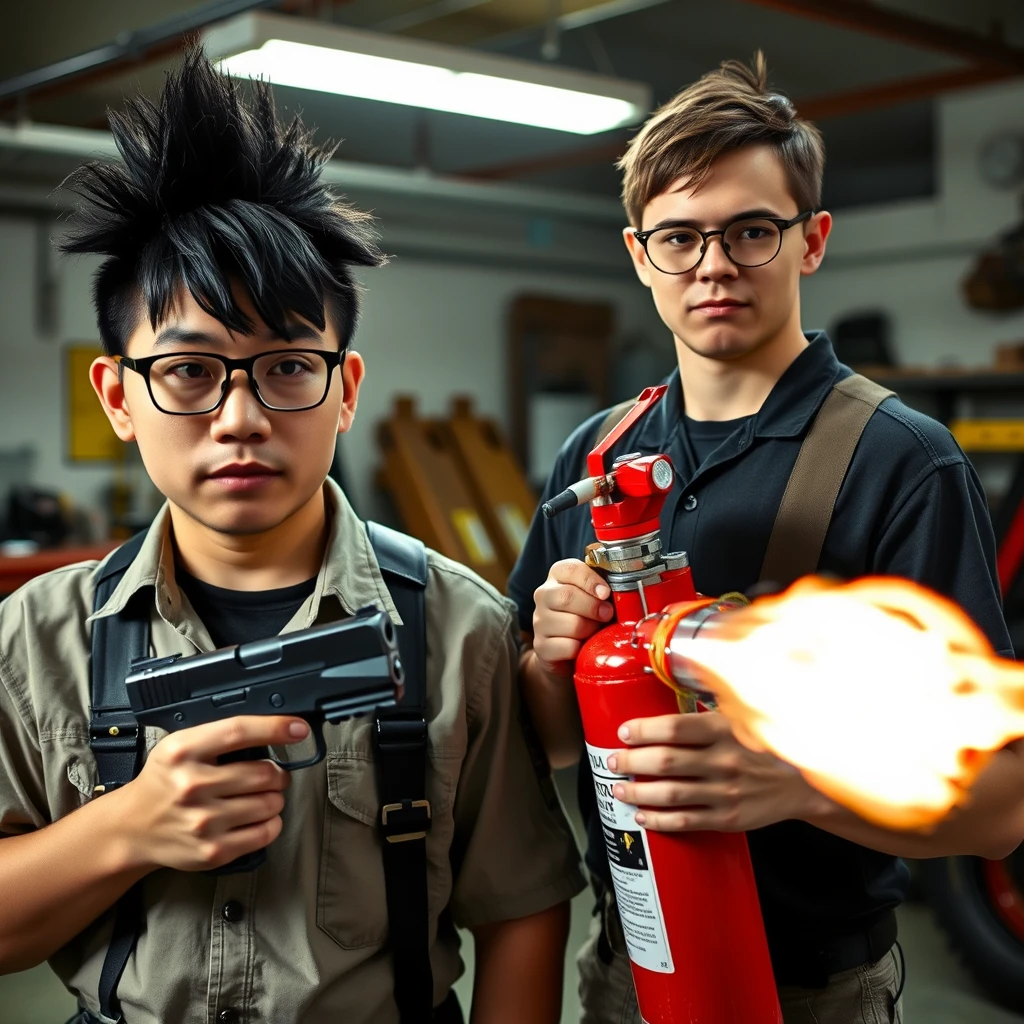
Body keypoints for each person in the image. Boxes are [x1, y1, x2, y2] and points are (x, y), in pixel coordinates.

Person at [0, 49, 585, 1024]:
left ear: (344, 390)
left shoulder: (458, 628)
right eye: (189, 371)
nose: (239, 417)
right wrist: (129, 827)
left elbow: (522, 910)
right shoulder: (35, 638)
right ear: (119, 397)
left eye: (283, 368)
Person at [509, 53, 1022, 1024]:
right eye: (679, 237)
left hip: (809, 989)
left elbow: (1000, 808)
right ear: (637, 253)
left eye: (750, 231)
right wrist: (547, 659)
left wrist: (792, 784)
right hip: (624, 968)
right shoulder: (594, 455)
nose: (712, 265)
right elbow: (548, 749)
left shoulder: (901, 461)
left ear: (811, 240)